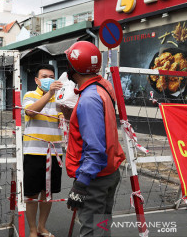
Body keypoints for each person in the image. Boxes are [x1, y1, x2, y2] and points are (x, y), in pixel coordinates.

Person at [64, 41, 126, 236]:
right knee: (102, 227)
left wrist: (81, 184)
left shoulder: (89, 99)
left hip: (94, 177)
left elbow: (95, 148)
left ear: (74, 68)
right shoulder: (103, 87)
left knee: (92, 230)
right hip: (108, 172)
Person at [22, 64, 64, 237]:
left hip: (55, 153)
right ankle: (32, 230)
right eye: (45, 76)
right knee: (31, 194)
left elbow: (67, 118)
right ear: (37, 80)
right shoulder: (29, 95)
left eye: (51, 77)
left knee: (48, 193)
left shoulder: (60, 99)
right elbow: (31, 111)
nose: (49, 80)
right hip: (33, 152)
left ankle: (42, 227)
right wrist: (49, 94)